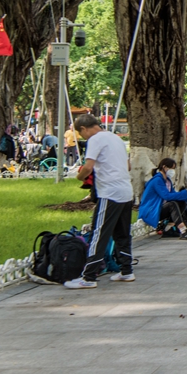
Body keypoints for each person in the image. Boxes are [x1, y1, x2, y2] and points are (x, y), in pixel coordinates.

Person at [65, 114, 134, 288]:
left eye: (81, 135)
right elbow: (128, 166)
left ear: (83, 129)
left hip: (109, 193)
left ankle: (88, 277)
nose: (83, 137)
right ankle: (126, 271)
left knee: (99, 233)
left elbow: (88, 166)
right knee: (122, 233)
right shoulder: (115, 138)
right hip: (126, 191)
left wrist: (79, 177)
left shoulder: (95, 140)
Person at [139, 158, 187, 239]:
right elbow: (167, 196)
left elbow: (174, 195)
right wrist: (186, 191)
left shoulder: (167, 181)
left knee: (180, 202)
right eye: (171, 168)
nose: (172, 171)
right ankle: (183, 231)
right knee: (172, 204)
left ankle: (169, 229)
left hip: (159, 208)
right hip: (151, 210)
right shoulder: (157, 180)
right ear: (164, 167)